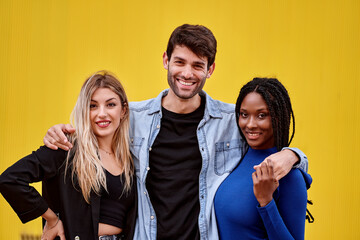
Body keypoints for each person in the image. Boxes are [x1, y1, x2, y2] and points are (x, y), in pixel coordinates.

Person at [43, 24, 308, 240]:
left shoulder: (232, 119)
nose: (186, 73)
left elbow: (267, 142)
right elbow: (85, 144)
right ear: (166, 60)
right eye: (179, 62)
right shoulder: (131, 117)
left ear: (210, 69)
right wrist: (59, 133)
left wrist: (293, 155)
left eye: (197, 65)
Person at [0, 71, 137, 240]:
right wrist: (52, 220)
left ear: (123, 110)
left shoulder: (132, 159)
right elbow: (11, 179)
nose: (102, 113)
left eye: (110, 105)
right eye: (92, 106)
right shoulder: (67, 148)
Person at [215, 78, 312, 239]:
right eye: (244, 114)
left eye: (262, 115)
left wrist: (266, 201)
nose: (250, 124)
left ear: (279, 118)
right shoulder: (235, 158)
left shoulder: (289, 177)